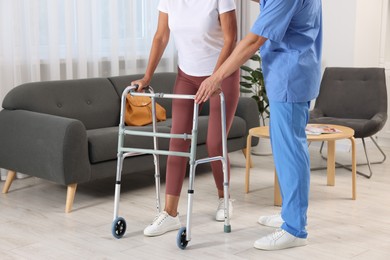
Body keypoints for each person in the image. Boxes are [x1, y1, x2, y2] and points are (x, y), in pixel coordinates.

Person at [196, 0, 322, 251]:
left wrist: (217, 76)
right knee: (286, 150)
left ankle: (295, 228)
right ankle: (290, 214)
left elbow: (254, 41)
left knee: (291, 154)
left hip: (290, 79)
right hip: (289, 76)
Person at [131, 0, 240, 237]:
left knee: (214, 143)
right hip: (187, 76)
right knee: (177, 142)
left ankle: (224, 198)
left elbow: (231, 38)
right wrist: (147, 77)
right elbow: (161, 36)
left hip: (223, 75)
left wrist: (216, 78)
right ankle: (170, 213)